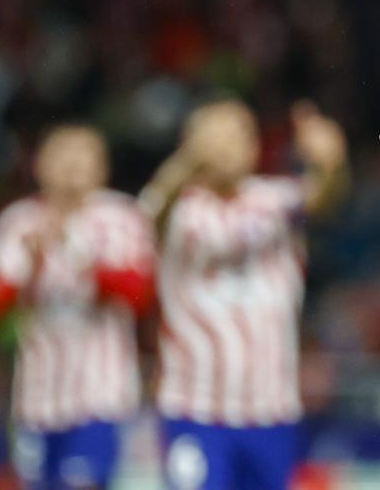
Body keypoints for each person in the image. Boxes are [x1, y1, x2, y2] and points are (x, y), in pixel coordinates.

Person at [143, 99, 348, 490]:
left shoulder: (274, 199)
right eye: (217, 132)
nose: (229, 143)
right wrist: (187, 163)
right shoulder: (177, 208)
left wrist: (330, 160)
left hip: (271, 409)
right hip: (195, 407)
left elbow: (326, 198)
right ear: (191, 143)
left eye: (240, 132)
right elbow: (147, 217)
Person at [0, 125, 155, 490]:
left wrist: (78, 250)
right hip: (37, 396)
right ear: (39, 166)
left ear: (102, 168)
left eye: (83, 156)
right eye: (61, 156)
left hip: (100, 394)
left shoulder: (121, 216)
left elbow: (140, 297)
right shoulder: (20, 220)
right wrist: (30, 264)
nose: (72, 166)